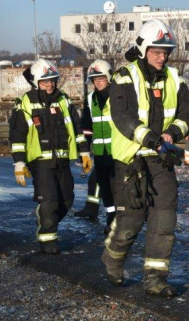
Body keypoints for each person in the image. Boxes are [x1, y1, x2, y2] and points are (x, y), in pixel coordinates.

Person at [101, 19, 189, 297]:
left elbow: (187, 116)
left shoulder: (176, 78)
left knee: (164, 220)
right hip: (131, 161)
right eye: (157, 50)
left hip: (161, 161)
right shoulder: (123, 77)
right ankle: (113, 259)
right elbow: (123, 118)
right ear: (143, 49)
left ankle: (155, 279)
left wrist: (172, 135)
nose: (162, 56)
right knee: (131, 220)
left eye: (166, 51)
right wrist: (153, 139)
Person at [9, 59, 91, 254]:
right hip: (40, 163)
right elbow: (17, 135)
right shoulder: (25, 103)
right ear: (36, 82)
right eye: (45, 81)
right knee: (50, 201)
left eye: (52, 80)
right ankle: (48, 238)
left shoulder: (63, 100)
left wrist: (85, 152)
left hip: (63, 160)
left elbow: (77, 129)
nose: (50, 85)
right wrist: (19, 162)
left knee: (67, 200)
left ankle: (47, 219)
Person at [73, 59, 117, 234]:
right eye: (94, 79)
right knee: (104, 187)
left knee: (118, 187)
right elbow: (86, 126)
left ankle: (120, 219)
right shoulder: (91, 99)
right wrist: (84, 151)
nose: (97, 82)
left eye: (101, 78)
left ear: (108, 77)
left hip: (118, 151)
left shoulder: (118, 96)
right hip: (100, 152)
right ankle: (111, 218)